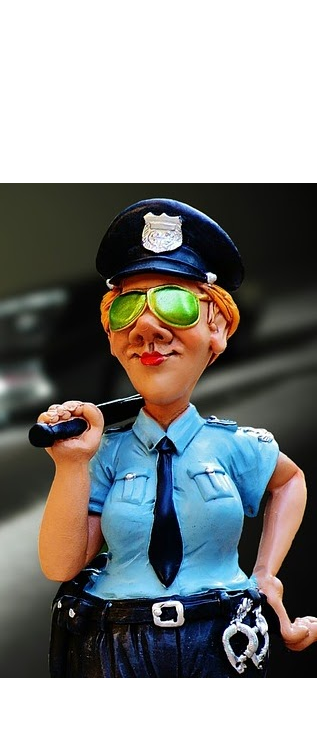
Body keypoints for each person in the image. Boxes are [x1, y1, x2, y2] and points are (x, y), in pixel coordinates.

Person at [36, 197, 317, 678]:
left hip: (219, 639)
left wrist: (266, 575)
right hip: (119, 643)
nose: (146, 328)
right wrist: (71, 464)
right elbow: (61, 564)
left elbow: (290, 481)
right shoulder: (105, 453)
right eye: (127, 308)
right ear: (112, 336)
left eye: (175, 303)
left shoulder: (235, 446)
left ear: (217, 327)